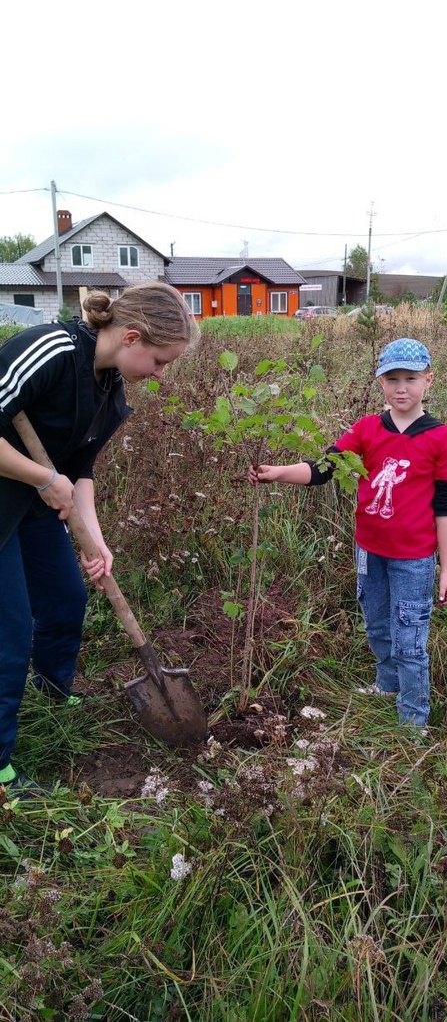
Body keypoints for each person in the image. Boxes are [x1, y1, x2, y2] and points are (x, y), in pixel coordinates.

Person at [0, 282, 193, 793]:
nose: (159, 374)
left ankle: (52, 691)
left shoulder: (110, 393)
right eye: (158, 361)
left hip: (35, 503)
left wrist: (97, 542)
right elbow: (49, 473)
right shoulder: (51, 352)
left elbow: (79, 470)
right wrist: (42, 477)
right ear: (130, 337)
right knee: (10, 634)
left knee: (66, 598)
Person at [248, 338, 447, 732]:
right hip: (369, 551)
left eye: (411, 379)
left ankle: (413, 720)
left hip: (414, 559)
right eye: (392, 378)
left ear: (428, 380)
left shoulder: (442, 438)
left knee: (409, 637)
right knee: (377, 623)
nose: (401, 388)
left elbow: (446, 508)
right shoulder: (366, 430)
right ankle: (387, 684)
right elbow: (322, 468)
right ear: (380, 382)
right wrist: (278, 472)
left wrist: (446, 569)